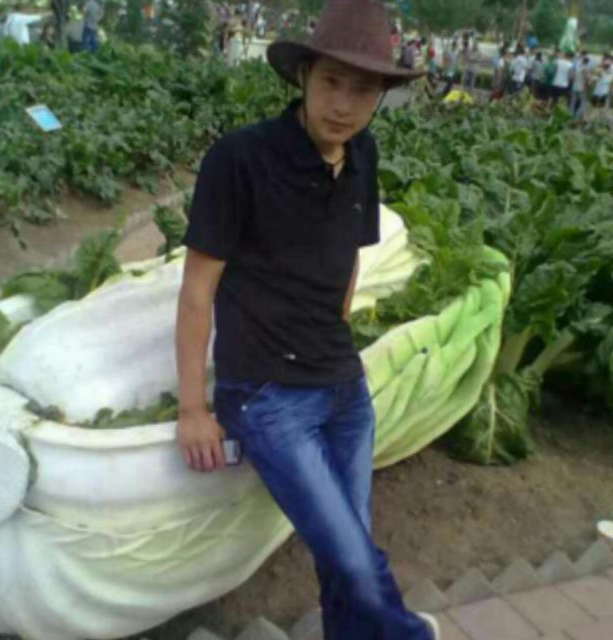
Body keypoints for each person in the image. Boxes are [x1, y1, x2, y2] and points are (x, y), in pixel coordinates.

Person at [175, 0, 439, 637]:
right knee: (354, 560)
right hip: (266, 394)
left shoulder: (363, 154)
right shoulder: (240, 159)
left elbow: (350, 252)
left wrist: (333, 321)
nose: (343, 105)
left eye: (363, 90)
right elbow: (196, 291)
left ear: (380, 97)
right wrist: (192, 409)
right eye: (331, 82)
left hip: (344, 389)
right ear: (304, 76)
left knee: (342, 560)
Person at [570, 52, 590, 119]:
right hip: (582, 88)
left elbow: (572, 77)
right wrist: (586, 87)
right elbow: (587, 79)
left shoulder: (578, 68)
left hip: (575, 87)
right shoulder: (585, 69)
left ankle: (571, 115)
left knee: (573, 102)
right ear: (587, 62)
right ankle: (580, 116)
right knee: (583, 102)